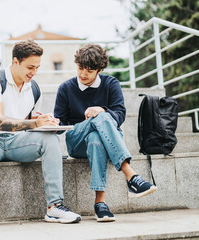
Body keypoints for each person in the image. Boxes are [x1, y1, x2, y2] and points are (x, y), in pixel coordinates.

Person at [0, 40, 81, 229]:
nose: (34, 72)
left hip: (17, 143)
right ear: (15, 62)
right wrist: (35, 122)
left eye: (37, 67)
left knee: (50, 139)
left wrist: (46, 123)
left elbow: (28, 124)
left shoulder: (34, 88)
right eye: (30, 67)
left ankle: (55, 207)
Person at [54, 43, 157, 222]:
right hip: (77, 141)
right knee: (99, 118)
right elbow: (61, 123)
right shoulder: (66, 88)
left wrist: (101, 110)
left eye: (89, 70)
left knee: (96, 136)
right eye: (80, 68)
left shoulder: (111, 84)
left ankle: (100, 203)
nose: (83, 74)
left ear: (99, 69)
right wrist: (52, 122)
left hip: (104, 139)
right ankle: (130, 175)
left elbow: (120, 114)